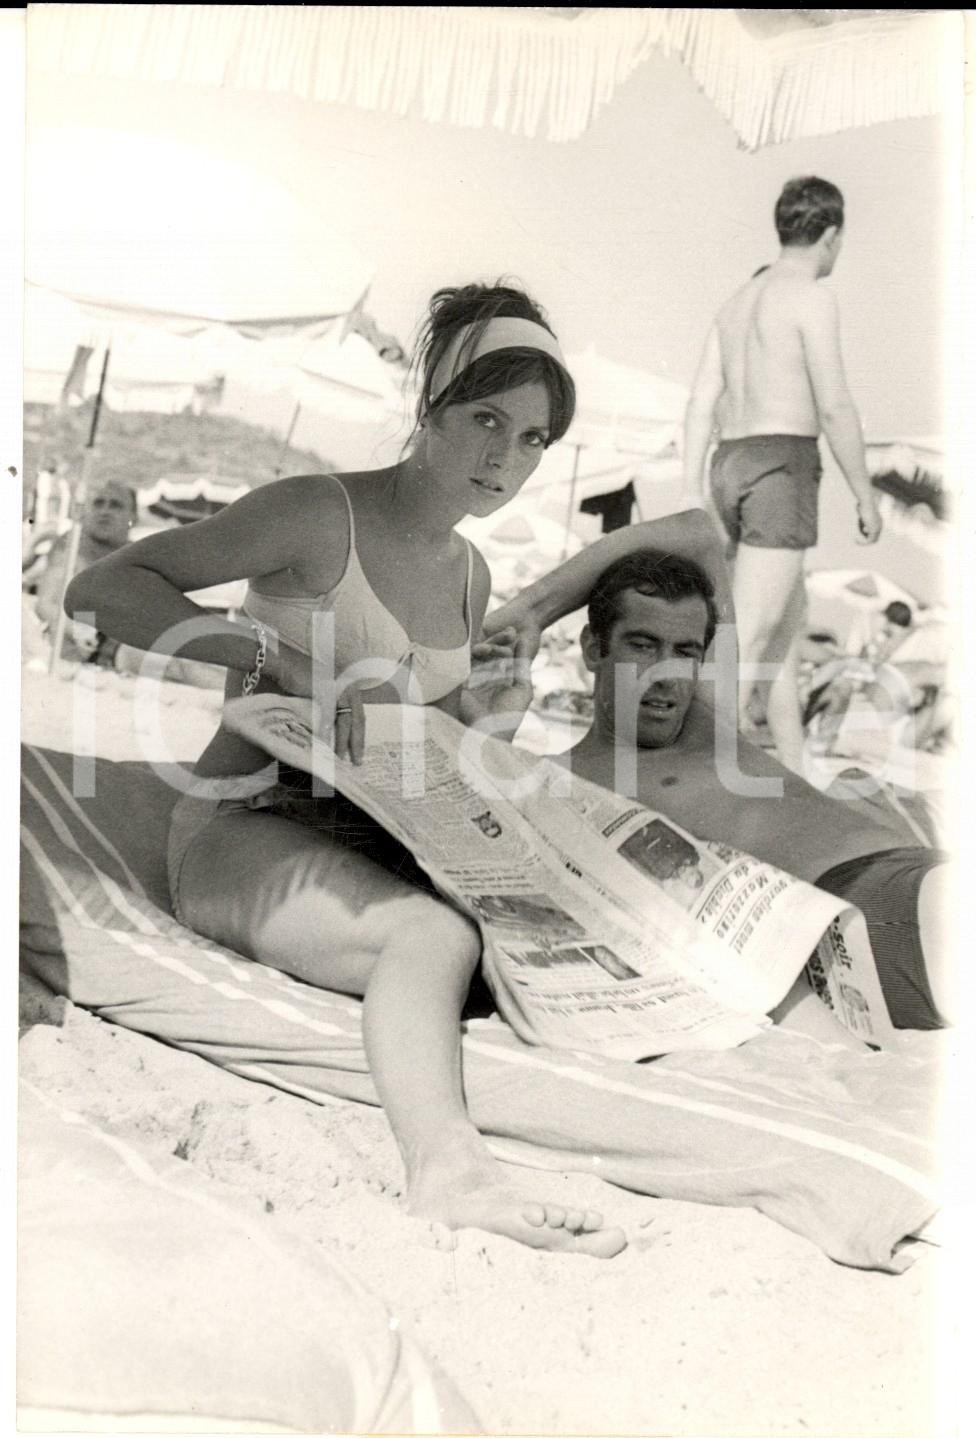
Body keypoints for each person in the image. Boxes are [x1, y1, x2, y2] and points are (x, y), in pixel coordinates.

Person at [65, 282, 625, 1259]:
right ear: (430, 403)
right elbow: (104, 585)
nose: (505, 456)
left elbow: (427, 728)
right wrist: (253, 654)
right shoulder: (318, 516)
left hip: (379, 821)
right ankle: (447, 1172)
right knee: (428, 939)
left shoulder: (472, 572)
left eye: (533, 437)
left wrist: (490, 717)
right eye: (485, 418)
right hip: (246, 823)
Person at [486, 520, 951, 1039]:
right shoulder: (552, 781)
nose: (667, 673)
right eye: (641, 645)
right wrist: (492, 726)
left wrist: (531, 611)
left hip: (915, 882)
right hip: (848, 929)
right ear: (594, 649)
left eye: (686, 652)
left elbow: (695, 532)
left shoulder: (705, 727)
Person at [681, 177, 882, 774]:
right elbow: (835, 405)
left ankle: (795, 777)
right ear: (830, 235)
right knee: (748, 639)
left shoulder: (738, 302)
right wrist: (865, 493)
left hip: (729, 464)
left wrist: (694, 490)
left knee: (783, 643)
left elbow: (699, 405)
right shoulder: (812, 296)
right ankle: (690, 786)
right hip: (781, 466)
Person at [34, 480, 137, 662]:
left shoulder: (140, 557)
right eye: (98, 503)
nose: (105, 511)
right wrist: (76, 630)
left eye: (116, 505)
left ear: (133, 518)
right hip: (76, 649)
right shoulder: (70, 547)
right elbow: (46, 604)